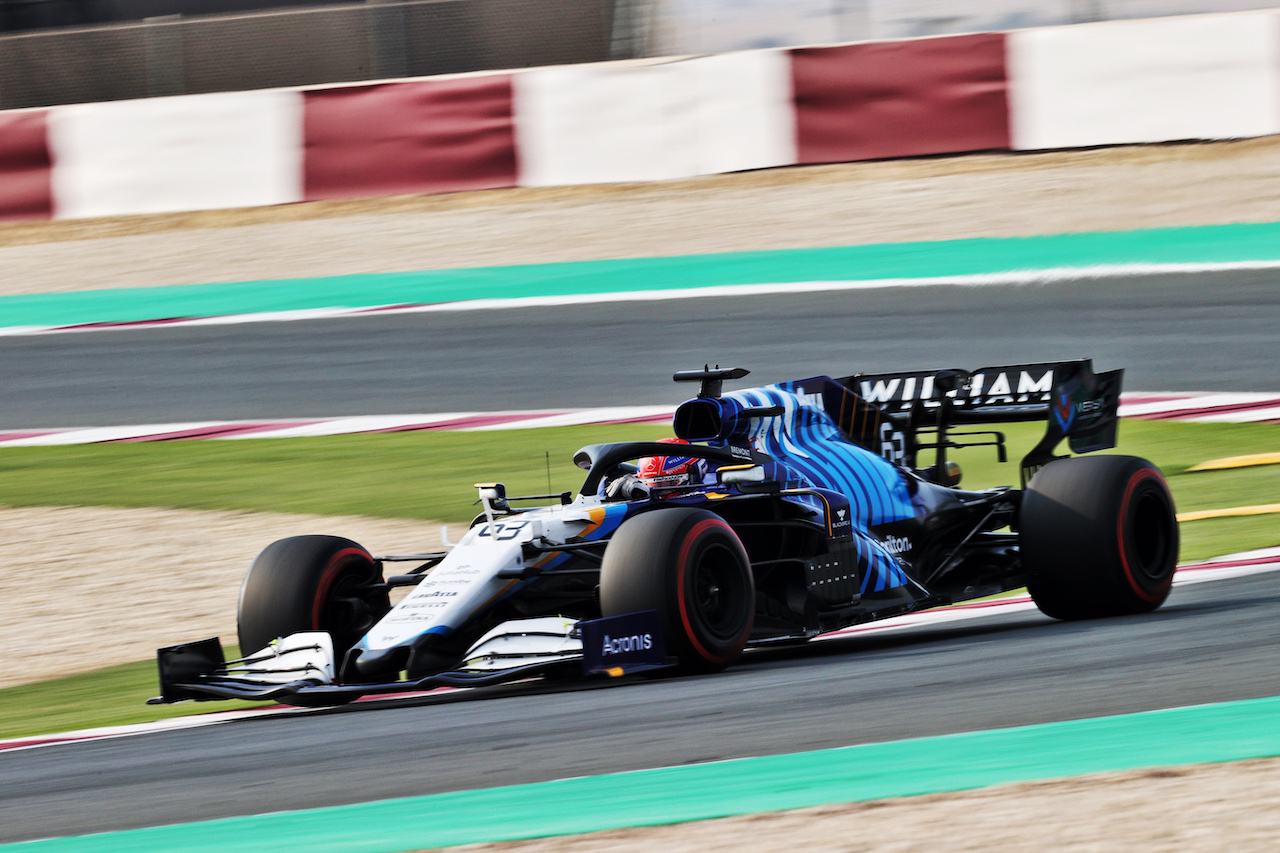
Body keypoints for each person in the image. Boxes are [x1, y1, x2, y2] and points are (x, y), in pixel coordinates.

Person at [602, 438, 708, 501]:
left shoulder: (710, 491)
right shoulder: (632, 486)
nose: (654, 492)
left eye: (665, 485)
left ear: (692, 473)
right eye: (648, 485)